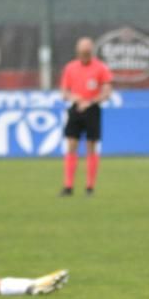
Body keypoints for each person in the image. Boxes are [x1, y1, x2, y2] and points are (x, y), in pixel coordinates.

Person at [59, 37, 113, 197]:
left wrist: (90, 101)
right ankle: (68, 186)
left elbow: (107, 91)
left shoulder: (101, 68)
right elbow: (64, 92)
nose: (84, 54)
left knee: (91, 146)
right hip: (76, 108)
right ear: (78, 51)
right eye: (82, 51)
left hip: (92, 109)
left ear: (91, 51)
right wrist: (76, 99)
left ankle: (89, 187)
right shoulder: (70, 68)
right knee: (71, 144)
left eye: (87, 51)